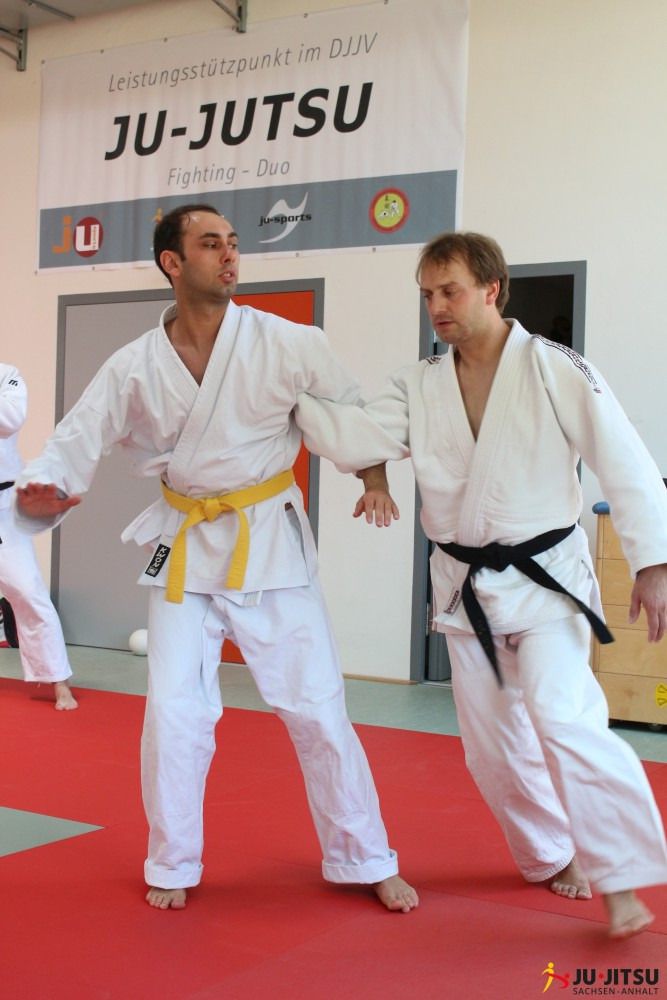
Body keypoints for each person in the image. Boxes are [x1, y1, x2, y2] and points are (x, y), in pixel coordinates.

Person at [14, 204, 417, 914]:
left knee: (317, 710)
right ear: (172, 263)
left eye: (233, 243)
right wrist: (48, 485)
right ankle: (173, 860)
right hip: (186, 546)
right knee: (174, 714)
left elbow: (350, 411)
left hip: (270, 543)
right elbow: (79, 434)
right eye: (210, 245)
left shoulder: (287, 341)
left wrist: (374, 475)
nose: (230, 255)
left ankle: (366, 856)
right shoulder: (134, 365)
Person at [296, 231, 667, 939]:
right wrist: (291, 393)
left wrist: (652, 563)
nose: (437, 306)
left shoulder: (552, 366)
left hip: (547, 583)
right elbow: (356, 436)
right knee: (492, 748)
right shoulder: (418, 383)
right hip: (465, 589)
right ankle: (549, 851)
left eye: (451, 291)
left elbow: (622, 455)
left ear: (491, 289)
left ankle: (620, 878)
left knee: (564, 718)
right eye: (428, 294)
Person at [0, 363, 77, 710]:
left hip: (3, 507)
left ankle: (59, 682)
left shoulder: (7, 374)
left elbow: (10, 420)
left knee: (27, 590)